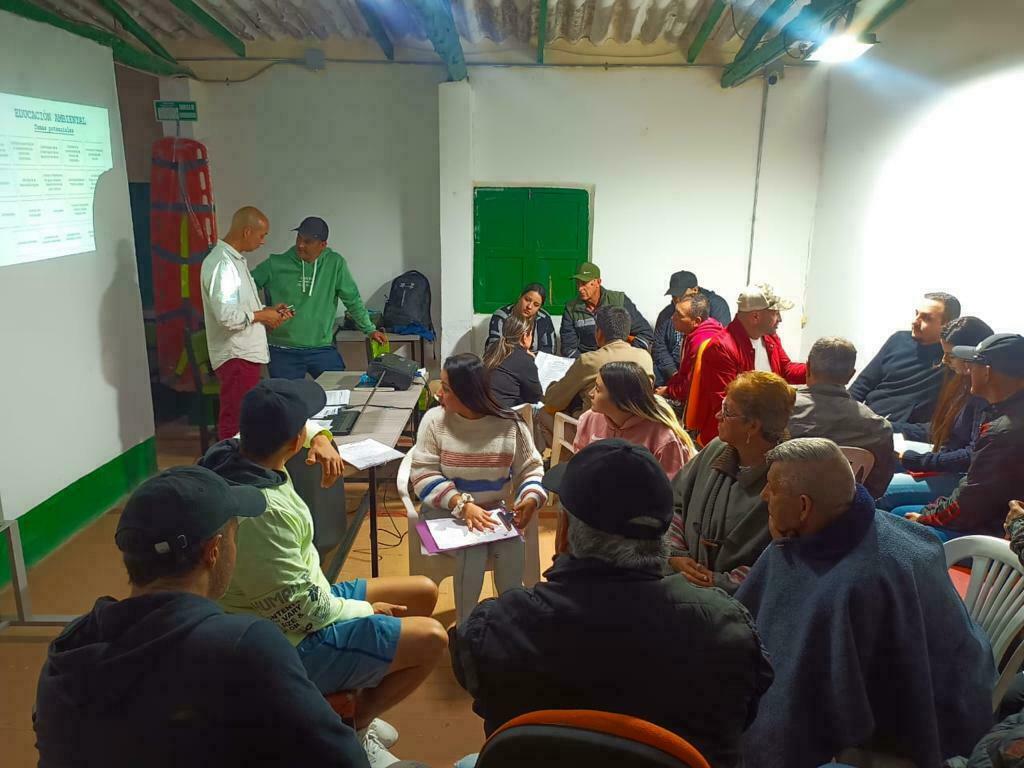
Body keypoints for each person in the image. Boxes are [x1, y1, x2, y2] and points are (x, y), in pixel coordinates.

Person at [449, 439, 773, 768]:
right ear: (664, 538)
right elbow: (745, 714)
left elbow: (474, 678)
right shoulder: (728, 628)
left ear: (563, 534)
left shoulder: (496, 626)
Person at [34, 466, 378, 768]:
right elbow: (343, 760)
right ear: (213, 551)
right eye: (235, 535)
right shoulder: (245, 645)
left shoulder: (70, 648)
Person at [199, 378, 447, 768]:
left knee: (423, 591)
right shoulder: (261, 513)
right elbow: (302, 610)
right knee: (431, 638)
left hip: (307, 596)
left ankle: (347, 701)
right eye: (305, 426)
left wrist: (322, 437)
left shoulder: (232, 451)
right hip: (289, 637)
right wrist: (364, 610)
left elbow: (302, 594)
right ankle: (354, 726)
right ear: (292, 441)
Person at [736, 438, 994, 768]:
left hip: (904, 738)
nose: (763, 496)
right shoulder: (895, 531)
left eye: (772, 488)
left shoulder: (848, 588)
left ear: (803, 506)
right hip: (968, 678)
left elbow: (801, 704)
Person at [410, 353, 547, 624]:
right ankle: (467, 627)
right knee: (471, 549)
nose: (439, 394)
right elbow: (423, 475)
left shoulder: (510, 425)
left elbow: (531, 469)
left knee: (512, 549)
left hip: (493, 513)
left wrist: (530, 499)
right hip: (444, 512)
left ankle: (511, 623)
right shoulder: (435, 421)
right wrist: (462, 504)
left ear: (467, 393)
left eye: (446, 388)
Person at [668, 371, 796, 594]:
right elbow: (673, 504)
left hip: (742, 603)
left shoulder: (787, 476)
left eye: (727, 411)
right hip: (681, 583)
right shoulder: (715, 449)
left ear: (753, 426)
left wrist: (720, 582)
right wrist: (676, 553)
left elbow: (784, 556)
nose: (718, 415)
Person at [897, 333, 1024, 540]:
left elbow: (968, 504)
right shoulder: (1004, 414)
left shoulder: (1001, 432)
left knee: (898, 517)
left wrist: (925, 517)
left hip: (998, 532)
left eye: (973, 364)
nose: (968, 370)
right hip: (997, 516)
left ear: (987, 372)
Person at [878, 316, 994, 510]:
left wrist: (919, 461)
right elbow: (940, 430)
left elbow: (972, 455)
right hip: (946, 458)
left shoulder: (983, 394)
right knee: (880, 458)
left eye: (950, 355)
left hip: (963, 476)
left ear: (971, 356)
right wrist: (890, 427)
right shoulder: (961, 382)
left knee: (882, 491)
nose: (944, 361)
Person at [250, 216, 387, 379]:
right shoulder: (275, 264)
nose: (300, 245)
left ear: (323, 245)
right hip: (282, 349)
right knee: (287, 395)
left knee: (337, 390)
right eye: (299, 238)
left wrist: (370, 330)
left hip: (321, 348)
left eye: (308, 241)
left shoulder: (335, 264)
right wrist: (263, 313)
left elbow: (352, 300)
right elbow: (244, 289)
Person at [200, 206, 294, 440]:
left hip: (245, 354)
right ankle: (229, 462)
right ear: (247, 232)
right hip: (236, 355)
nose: (263, 241)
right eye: (262, 235)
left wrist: (269, 312)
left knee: (246, 417)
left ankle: (243, 460)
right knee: (236, 419)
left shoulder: (235, 261)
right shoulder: (222, 264)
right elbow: (226, 316)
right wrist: (262, 316)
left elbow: (242, 308)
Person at [689, 283, 805, 447]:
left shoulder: (770, 338)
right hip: (731, 439)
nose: (780, 319)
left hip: (761, 429)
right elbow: (726, 407)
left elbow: (786, 369)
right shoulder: (720, 348)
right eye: (775, 313)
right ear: (755, 316)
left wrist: (815, 369)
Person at [787, 337, 895, 499]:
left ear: (807, 368)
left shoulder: (781, 411)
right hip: (847, 510)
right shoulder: (879, 428)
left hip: (780, 507)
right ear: (851, 375)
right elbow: (876, 489)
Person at [849, 292, 962, 435]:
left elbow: (941, 426)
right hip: (866, 421)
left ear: (947, 325)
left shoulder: (954, 361)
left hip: (901, 433)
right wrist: (845, 413)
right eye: (916, 314)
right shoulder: (898, 340)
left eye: (926, 318)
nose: (915, 321)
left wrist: (887, 428)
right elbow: (862, 385)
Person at [574, 361, 693, 478]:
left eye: (597, 389)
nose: (590, 393)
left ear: (620, 398)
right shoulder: (589, 419)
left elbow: (672, 486)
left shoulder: (664, 439)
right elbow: (579, 464)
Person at [543, 305, 654, 417]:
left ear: (599, 333)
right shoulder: (645, 357)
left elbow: (553, 401)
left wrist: (551, 386)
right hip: (636, 422)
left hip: (593, 424)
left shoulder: (588, 361)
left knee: (543, 413)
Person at [652, 270, 732, 385]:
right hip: (671, 371)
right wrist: (674, 374)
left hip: (701, 368)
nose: (677, 300)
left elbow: (719, 343)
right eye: (674, 296)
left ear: (695, 290)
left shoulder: (716, 306)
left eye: (681, 295)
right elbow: (659, 347)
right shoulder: (666, 314)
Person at [559, 262, 654, 358]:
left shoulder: (619, 301)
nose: (580, 288)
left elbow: (646, 334)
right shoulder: (571, 309)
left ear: (598, 282)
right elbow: (568, 348)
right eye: (578, 283)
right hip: (588, 361)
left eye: (584, 283)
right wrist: (588, 362)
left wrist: (627, 356)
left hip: (618, 360)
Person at [657, 293, 725, 403]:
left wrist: (668, 391)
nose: (673, 317)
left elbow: (691, 385)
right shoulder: (705, 326)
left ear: (696, 321)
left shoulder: (701, 344)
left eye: (679, 315)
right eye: (675, 312)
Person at [482, 313, 542, 408]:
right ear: (525, 336)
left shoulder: (494, 348)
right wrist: (531, 360)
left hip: (483, 408)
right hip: (503, 413)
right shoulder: (524, 360)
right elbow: (535, 397)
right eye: (531, 334)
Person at [485, 283, 556, 355]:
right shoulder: (502, 316)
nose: (529, 306)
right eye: (527, 300)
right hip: (505, 359)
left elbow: (550, 349)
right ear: (520, 297)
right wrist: (523, 354)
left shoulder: (544, 319)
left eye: (536, 305)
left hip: (534, 359)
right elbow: (494, 348)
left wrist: (532, 357)